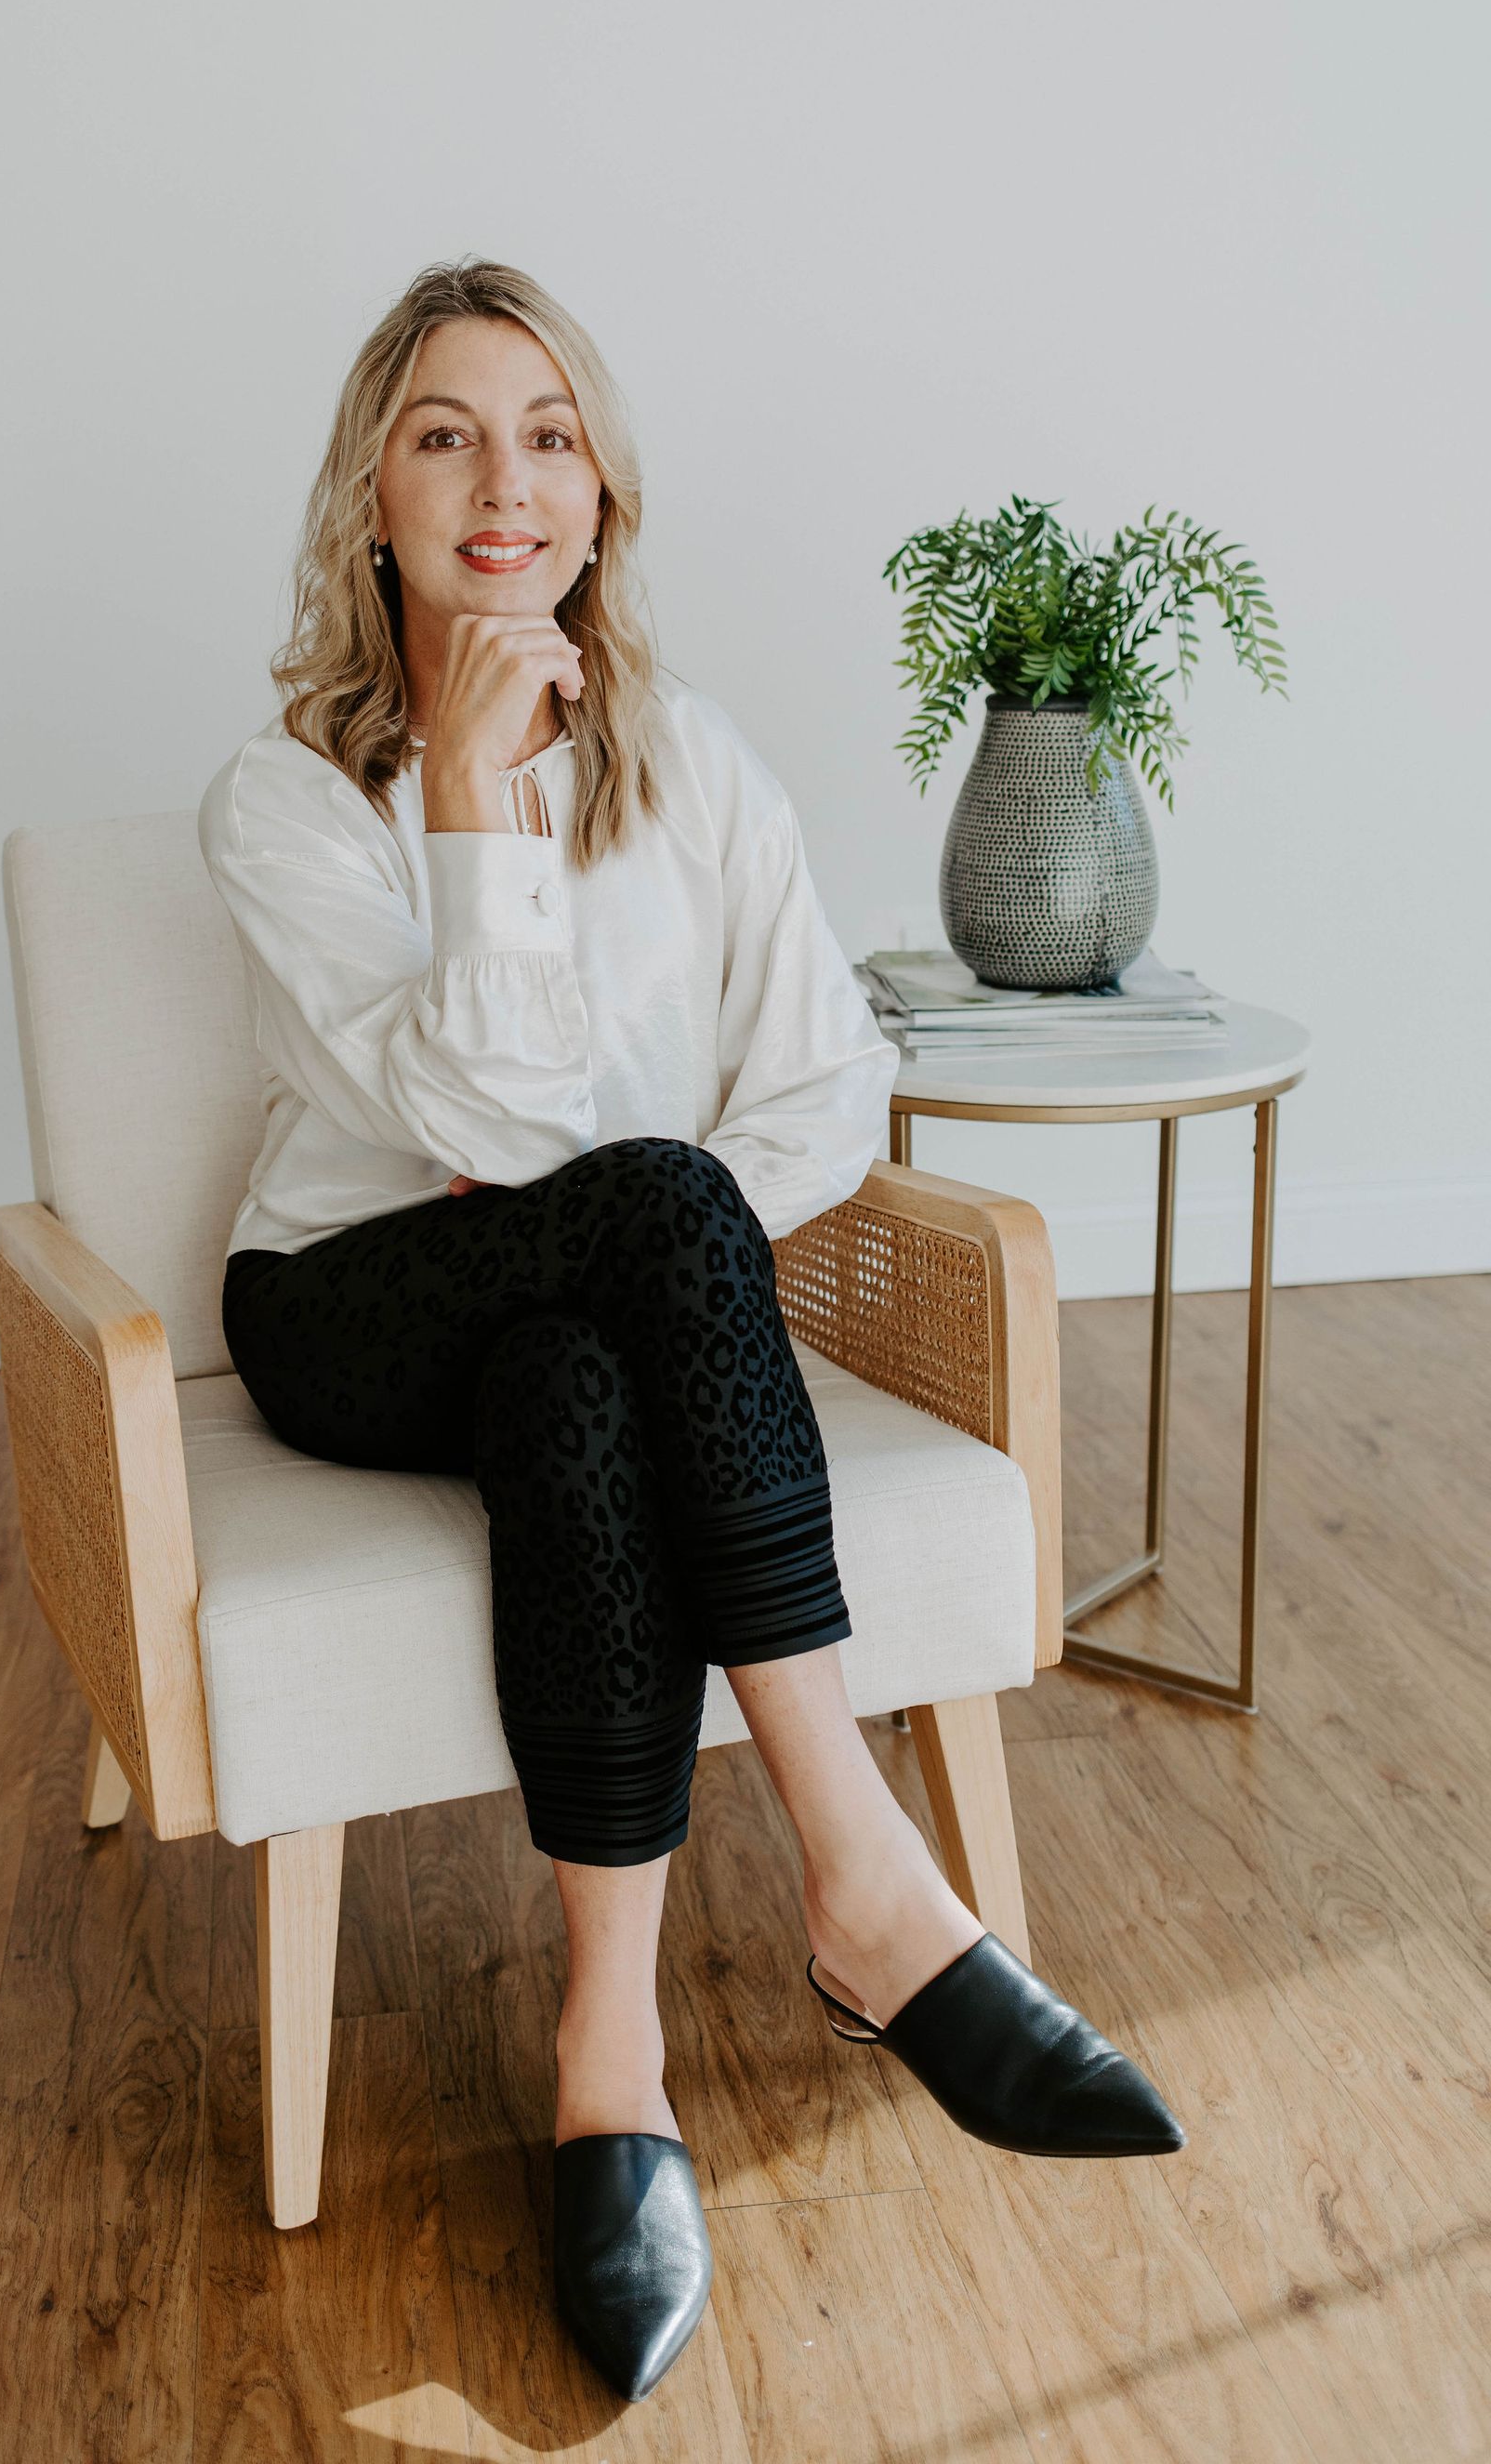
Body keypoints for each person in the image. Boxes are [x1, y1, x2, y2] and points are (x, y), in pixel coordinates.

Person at [198, 257, 1183, 2404]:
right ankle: (868, 1884)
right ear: (375, 487)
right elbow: (478, 1120)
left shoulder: (698, 768)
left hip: (561, 1330)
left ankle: (610, 2058)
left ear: (602, 491)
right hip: (349, 1304)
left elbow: (826, 1082)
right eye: (446, 432)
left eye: (547, 433)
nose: (503, 480)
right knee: (640, 1208)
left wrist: (672, 1280)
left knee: (594, 1350)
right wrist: (468, 799)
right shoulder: (288, 800)